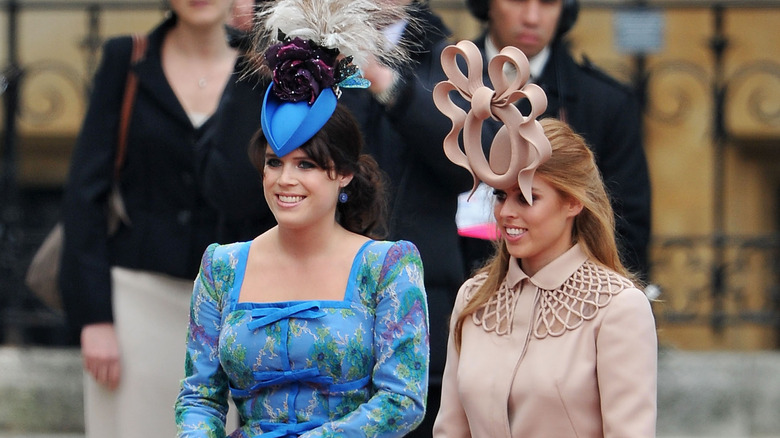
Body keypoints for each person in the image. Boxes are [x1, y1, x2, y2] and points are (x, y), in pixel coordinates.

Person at [175, 2, 429, 436]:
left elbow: (401, 401)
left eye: (307, 165)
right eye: (275, 162)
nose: (285, 180)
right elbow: (200, 396)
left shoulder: (387, 268)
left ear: (343, 172)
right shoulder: (221, 267)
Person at [58, 0, 272, 436]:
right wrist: (94, 317)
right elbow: (85, 192)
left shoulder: (263, 69)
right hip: (136, 299)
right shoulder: (128, 58)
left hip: (235, 304)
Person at [431, 41, 657, 436]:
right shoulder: (473, 297)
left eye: (528, 197)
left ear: (572, 203)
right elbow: (449, 430)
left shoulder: (620, 308)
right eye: (500, 195)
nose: (506, 212)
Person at [338, 2, 471, 435]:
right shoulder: (313, 52)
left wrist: (384, 80)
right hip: (331, 308)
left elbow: (468, 164)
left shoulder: (449, 57)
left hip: (423, 303)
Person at [460, 0, 652, 282]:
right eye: (517, 1)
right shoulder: (437, 86)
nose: (532, 17)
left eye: (548, 2)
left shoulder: (605, 103)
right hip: (453, 291)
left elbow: (625, 227)